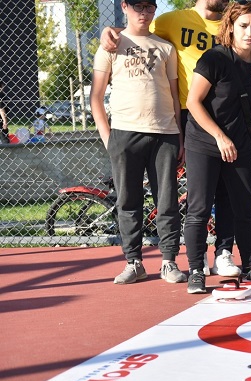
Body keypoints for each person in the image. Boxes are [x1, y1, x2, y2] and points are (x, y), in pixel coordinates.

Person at [101, 0, 244, 279]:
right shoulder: (171, 20)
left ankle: (224, 252)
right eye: (139, 6)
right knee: (197, 190)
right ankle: (196, 252)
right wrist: (109, 30)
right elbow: (137, 30)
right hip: (192, 112)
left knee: (227, 189)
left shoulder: (232, 23)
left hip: (228, 113)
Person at [183, 0, 251, 294]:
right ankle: (196, 270)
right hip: (204, 142)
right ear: (231, 28)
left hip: (238, 144)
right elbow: (192, 103)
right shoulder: (214, 59)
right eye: (244, 26)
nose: (249, 32)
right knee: (199, 208)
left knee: (243, 205)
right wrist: (219, 138)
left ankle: (250, 265)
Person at [91, 0, 186, 285]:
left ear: (155, 9)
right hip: (124, 134)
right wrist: (109, 139)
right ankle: (134, 262)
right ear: (124, 7)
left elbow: (174, 96)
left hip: (164, 134)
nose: (143, 13)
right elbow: (96, 96)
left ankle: (169, 261)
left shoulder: (165, 47)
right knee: (128, 201)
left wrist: (179, 135)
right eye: (137, 7)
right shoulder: (111, 44)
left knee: (167, 200)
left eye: (148, 7)